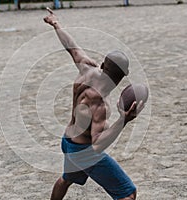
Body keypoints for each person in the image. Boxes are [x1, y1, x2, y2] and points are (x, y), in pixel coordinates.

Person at [43, 7, 144, 200]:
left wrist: (56, 24)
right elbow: (96, 145)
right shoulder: (100, 103)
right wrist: (123, 121)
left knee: (66, 179)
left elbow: (70, 46)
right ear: (122, 78)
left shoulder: (87, 68)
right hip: (83, 152)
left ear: (103, 65)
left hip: (68, 142)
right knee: (128, 194)